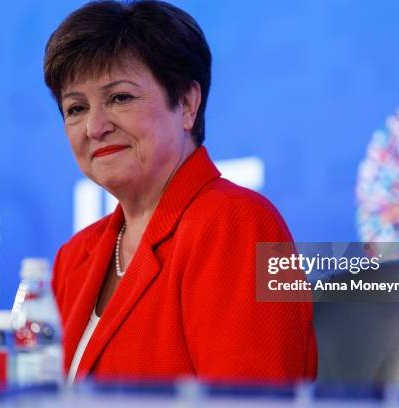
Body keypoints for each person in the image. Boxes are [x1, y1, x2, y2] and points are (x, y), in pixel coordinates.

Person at [44, 0, 317, 384]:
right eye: (75, 108)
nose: (95, 126)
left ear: (187, 103)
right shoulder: (72, 260)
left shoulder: (241, 226)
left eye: (120, 98)